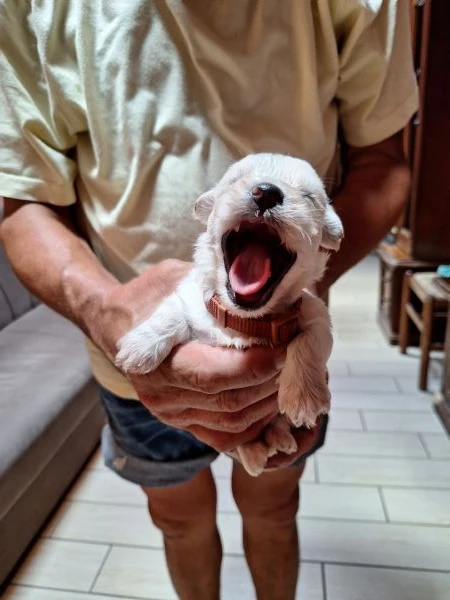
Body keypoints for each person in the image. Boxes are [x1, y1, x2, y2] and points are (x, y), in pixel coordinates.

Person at [0, 1, 417, 599]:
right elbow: (24, 203)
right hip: (130, 370)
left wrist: (297, 292)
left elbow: (383, 161)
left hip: (282, 354)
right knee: (178, 519)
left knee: (273, 508)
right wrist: (107, 312)